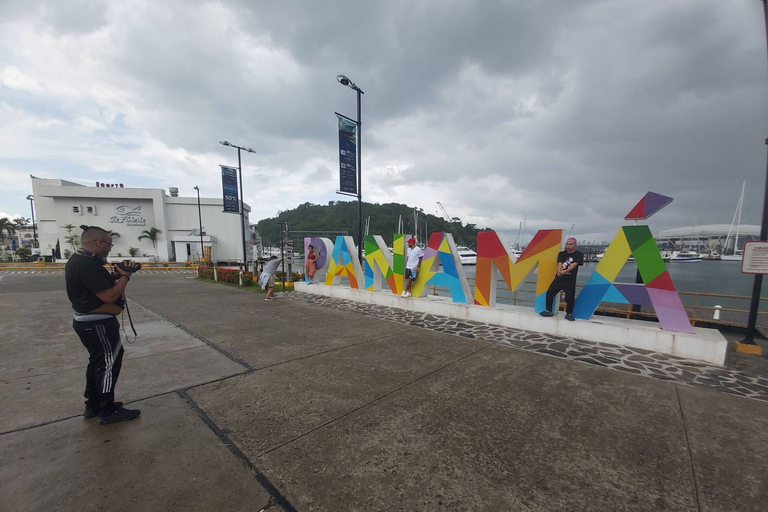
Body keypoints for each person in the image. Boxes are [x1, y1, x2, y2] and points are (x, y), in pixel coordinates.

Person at [65, 225, 141, 425]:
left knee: (97, 362)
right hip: (96, 324)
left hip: (88, 323)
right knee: (108, 363)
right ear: (98, 243)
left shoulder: (80, 261)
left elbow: (98, 286)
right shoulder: (87, 265)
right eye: (108, 244)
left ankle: (93, 404)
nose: (109, 249)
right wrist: (125, 276)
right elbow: (109, 295)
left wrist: (116, 275)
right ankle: (107, 410)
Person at [540, 237, 584, 321]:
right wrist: (559, 271)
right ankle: (548, 311)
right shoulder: (562, 254)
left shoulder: (579, 254)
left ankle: (569, 313)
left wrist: (565, 271)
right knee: (549, 293)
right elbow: (559, 262)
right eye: (567, 244)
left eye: (570, 244)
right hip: (559, 278)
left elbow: (574, 264)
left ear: (575, 245)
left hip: (570, 279)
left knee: (570, 297)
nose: (568, 246)